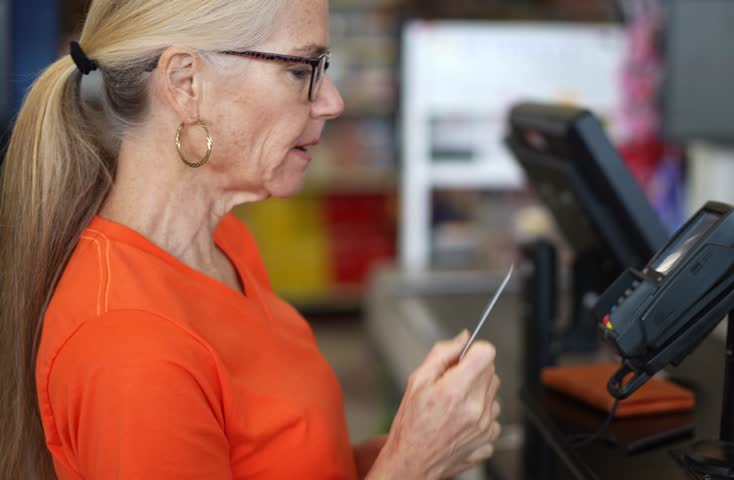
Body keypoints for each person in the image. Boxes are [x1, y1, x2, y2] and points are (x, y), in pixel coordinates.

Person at [0, 0, 501, 478]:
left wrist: (416, 443)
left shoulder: (225, 245)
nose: (332, 101)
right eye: (301, 70)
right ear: (185, 83)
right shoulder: (128, 347)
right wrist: (411, 467)